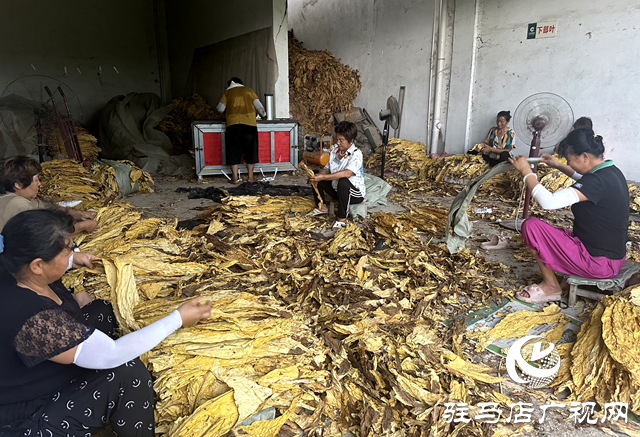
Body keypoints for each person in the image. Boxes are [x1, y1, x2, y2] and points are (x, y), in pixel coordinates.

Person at [0, 209, 211, 437]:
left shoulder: (16, 267)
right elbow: (112, 354)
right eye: (68, 249)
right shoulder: (29, 315)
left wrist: (73, 260)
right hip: (31, 412)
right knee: (129, 373)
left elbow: (51, 269)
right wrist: (177, 319)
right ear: (38, 265)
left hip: (45, 372)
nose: (73, 251)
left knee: (102, 310)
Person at [509, 128, 629, 303]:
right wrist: (557, 165)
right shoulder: (611, 172)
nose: (569, 163)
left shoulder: (597, 182)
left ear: (584, 157)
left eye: (570, 160)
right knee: (553, 233)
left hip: (598, 263)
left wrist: (527, 172)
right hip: (613, 257)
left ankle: (551, 286)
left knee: (532, 227)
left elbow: (549, 202)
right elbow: (584, 180)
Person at [0, 156, 99, 234]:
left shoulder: (14, 198)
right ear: (18, 184)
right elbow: (47, 238)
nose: (39, 184)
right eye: (36, 180)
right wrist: (82, 226)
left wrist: (78, 214)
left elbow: (47, 207)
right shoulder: (17, 205)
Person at [307, 121, 366, 230]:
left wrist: (323, 177)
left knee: (343, 181)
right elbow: (327, 169)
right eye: (337, 139)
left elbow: (347, 173)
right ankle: (322, 207)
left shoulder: (356, 154)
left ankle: (341, 219)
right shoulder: (335, 151)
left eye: (341, 140)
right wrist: (318, 176)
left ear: (350, 140)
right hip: (337, 190)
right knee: (315, 174)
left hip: (354, 193)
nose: (338, 143)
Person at [216, 77, 267, 184]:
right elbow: (259, 106)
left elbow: (220, 108)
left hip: (232, 125)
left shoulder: (228, 93)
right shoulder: (249, 91)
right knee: (250, 150)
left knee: (233, 151)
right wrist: (264, 115)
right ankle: (250, 177)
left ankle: (234, 178)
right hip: (249, 125)